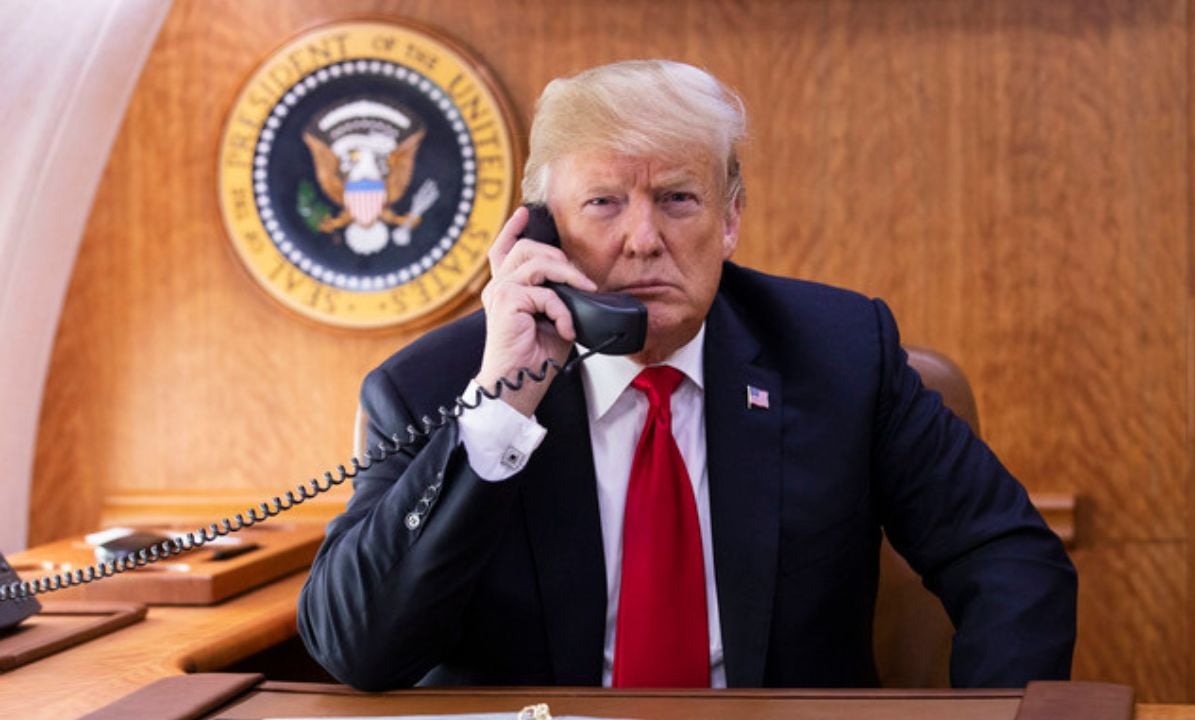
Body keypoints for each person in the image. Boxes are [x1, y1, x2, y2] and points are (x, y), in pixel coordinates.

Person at [297, 59, 1077, 692]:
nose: (643, 239)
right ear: (539, 229)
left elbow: (1009, 559)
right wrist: (502, 409)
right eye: (603, 202)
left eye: (677, 199)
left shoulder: (840, 354)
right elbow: (358, 651)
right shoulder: (435, 386)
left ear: (730, 218)